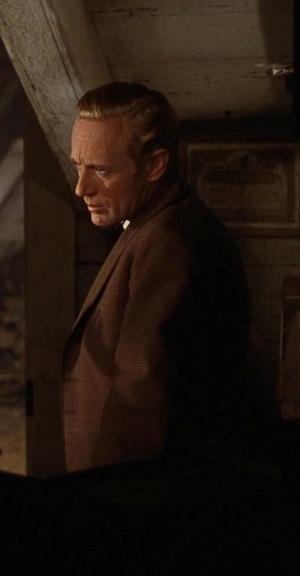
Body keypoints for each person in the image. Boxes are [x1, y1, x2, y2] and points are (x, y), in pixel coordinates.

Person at [62, 82, 255, 472]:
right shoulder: (154, 226)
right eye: (78, 166)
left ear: (154, 165)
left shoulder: (169, 242)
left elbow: (141, 397)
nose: (82, 187)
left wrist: (105, 494)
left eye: (101, 169)